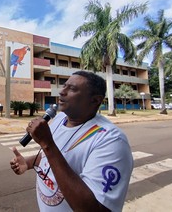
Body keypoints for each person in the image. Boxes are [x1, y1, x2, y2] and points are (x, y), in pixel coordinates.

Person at [10, 71, 133, 211]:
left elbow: (95, 209)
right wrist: (28, 162)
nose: (62, 92)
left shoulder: (111, 140)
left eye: (72, 89)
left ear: (95, 100)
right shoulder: (60, 118)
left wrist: (47, 144)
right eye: (64, 86)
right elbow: (50, 157)